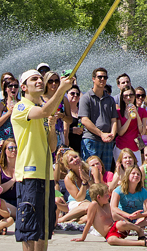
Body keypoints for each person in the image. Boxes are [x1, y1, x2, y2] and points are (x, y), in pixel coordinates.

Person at [11, 68, 72, 250]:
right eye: (34, 79)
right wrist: (61, 89)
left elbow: (52, 147)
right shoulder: (21, 107)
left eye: (40, 78)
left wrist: (52, 127)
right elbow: (46, 110)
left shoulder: (41, 111)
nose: (39, 81)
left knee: (44, 232)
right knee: (29, 232)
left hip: (46, 176)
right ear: (24, 87)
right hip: (29, 175)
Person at [71, 182, 147, 246]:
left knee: (120, 224)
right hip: (109, 234)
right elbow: (89, 223)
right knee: (111, 241)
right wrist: (82, 238)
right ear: (99, 197)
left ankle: (139, 230)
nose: (108, 197)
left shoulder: (106, 204)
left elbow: (114, 216)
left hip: (116, 227)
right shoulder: (94, 205)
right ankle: (141, 243)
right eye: (106, 195)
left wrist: (127, 222)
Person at [78, 68, 117, 172]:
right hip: (91, 139)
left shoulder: (110, 99)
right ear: (93, 79)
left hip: (108, 141)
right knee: (90, 172)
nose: (102, 79)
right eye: (100, 77)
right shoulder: (86, 98)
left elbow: (114, 120)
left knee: (106, 172)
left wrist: (112, 134)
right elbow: (84, 120)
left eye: (105, 77)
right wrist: (101, 134)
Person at [110, 164, 147, 231]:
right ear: (127, 176)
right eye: (133, 173)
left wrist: (140, 215)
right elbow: (113, 207)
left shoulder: (143, 191)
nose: (136, 175)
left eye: (138, 174)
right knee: (112, 215)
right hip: (124, 217)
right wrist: (128, 215)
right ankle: (134, 227)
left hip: (138, 219)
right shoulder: (119, 190)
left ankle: (134, 227)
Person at [115, 87, 147, 165]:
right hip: (121, 147)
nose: (128, 97)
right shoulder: (118, 112)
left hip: (135, 147)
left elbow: (142, 131)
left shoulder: (142, 111)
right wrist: (129, 118)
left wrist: (137, 115)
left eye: (131, 95)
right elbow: (120, 132)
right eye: (125, 96)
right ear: (122, 98)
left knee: (137, 171)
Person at [0, 77, 19, 142]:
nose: (13, 88)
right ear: (6, 89)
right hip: (4, 141)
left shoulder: (21, 103)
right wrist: (9, 113)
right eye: (10, 86)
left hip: (18, 139)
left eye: (16, 86)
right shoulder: (2, 105)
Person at [65, 85, 83, 152]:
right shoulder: (63, 111)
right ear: (66, 95)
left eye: (77, 94)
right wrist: (71, 130)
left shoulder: (82, 111)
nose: (75, 95)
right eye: (72, 93)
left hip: (81, 146)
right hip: (69, 146)